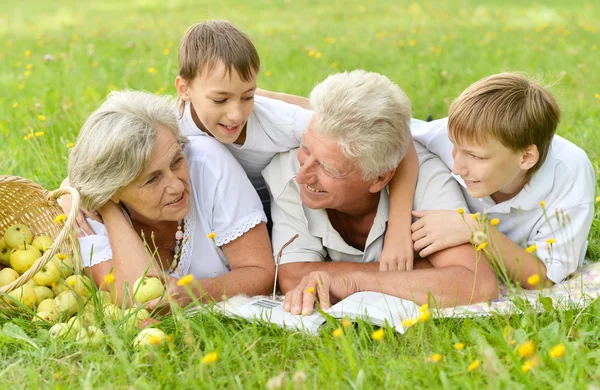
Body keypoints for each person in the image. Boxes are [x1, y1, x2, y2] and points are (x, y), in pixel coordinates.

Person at [174, 20, 420, 271]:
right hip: (226, 223)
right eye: (220, 99)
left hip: (283, 220)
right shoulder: (171, 128)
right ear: (184, 89)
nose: (236, 114)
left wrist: (399, 228)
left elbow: (400, 137)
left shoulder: (279, 121)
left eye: (248, 96)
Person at [262, 70, 499, 315]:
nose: (303, 175)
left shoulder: (428, 178)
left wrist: (354, 282)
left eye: (329, 168)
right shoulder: (287, 170)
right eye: (305, 148)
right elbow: (292, 276)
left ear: (380, 178)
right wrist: (426, 271)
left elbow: (476, 284)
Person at [67, 90, 275, 306]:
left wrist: (193, 293)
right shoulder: (89, 214)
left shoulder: (209, 164)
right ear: (113, 191)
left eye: (176, 161)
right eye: (152, 179)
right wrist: (111, 212)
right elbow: (132, 298)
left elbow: (261, 274)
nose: (176, 186)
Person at [410, 72, 595, 288]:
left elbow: (543, 277)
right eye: (453, 147)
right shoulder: (458, 134)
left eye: (476, 157)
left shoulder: (570, 176)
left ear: (526, 157)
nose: (458, 168)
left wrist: (477, 230)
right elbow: (395, 138)